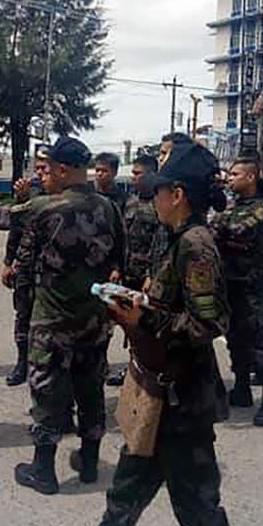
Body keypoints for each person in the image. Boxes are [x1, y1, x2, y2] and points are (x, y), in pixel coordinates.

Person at [0, 136, 125, 495]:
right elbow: (121, 257)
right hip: (94, 320)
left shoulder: (48, 207)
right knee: (91, 390)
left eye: (50, 169)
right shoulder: (108, 208)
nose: (46, 175)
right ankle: (88, 463)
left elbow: (1, 214)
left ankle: (43, 470)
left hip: (53, 321)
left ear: (65, 169)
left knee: (47, 391)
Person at [97, 141, 231, 526]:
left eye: (158, 189)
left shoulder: (197, 245)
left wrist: (145, 319)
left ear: (177, 195)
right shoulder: (175, 237)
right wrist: (140, 303)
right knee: (124, 496)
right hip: (161, 392)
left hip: (182, 401)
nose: (152, 196)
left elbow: (210, 323)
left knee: (197, 509)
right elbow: (171, 304)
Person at [211, 155, 263, 427]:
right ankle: (241, 388)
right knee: (235, 338)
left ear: (251, 177)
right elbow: (218, 229)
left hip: (256, 285)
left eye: (235, 174)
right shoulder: (233, 206)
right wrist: (222, 229)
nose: (229, 178)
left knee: (261, 340)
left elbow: (240, 230)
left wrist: (221, 228)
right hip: (232, 282)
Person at [106, 154, 160, 388]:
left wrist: (153, 273)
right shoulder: (130, 202)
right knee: (129, 325)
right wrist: (117, 267)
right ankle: (132, 370)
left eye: (138, 174)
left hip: (149, 277)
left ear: (151, 174)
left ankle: (150, 372)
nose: (133, 177)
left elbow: (162, 244)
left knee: (149, 327)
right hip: (128, 273)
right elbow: (120, 238)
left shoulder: (161, 203)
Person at [1, 143, 50, 387]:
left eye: (45, 168)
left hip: (51, 272)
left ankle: (42, 366)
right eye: (37, 167)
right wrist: (9, 262)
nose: (40, 173)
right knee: (23, 317)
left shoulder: (59, 194)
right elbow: (15, 229)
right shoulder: (27, 194)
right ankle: (22, 362)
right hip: (26, 268)